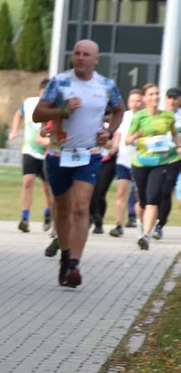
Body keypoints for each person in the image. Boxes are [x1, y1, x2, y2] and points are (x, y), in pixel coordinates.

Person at [32, 40, 122, 287]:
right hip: (59, 154)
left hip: (89, 154)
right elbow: (37, 114)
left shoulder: (106, 85)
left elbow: (119, 110)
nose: (80, 58)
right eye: (77, 54)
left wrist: (109, 131)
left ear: (96, 59)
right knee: (61, 208)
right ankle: (64, 254)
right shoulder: (60, 82)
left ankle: (74, 264)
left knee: (81, 207)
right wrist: (61, 109)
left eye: (86, 54)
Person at [126, 83, 181, 249]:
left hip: (160, 163)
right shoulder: (139, 116)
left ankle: (146, 235)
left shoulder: (167, 116)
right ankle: (140, 225)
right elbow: (127, 140)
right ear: (144, 98)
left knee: (153, 198)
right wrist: (137, 135)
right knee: (142, 200)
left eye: (157, 94)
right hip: (141, 162)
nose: (155, 97)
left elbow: (175, 136)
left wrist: (179, 147)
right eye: (151, 94)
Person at [8, 79, 53, 233]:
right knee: (28, 182)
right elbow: (18, 114)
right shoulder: (29, 103)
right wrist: (14, 130)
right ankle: (25, 218)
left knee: (47, 187)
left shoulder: (54, 107)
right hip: (30, 150)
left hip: (47, 152)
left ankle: (48, 213)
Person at [108, 89, 143, 238]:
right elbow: (118, 134)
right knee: (121, 192)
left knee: (139, 195)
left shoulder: (145, 117)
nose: (135, 103)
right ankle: (118, 224)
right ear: (128, 102)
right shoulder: (125, 117)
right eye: (132, 100)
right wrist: (114, 147)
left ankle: (143, 227)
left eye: (138, 100)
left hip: (140, 161)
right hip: (123, 159)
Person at [153, 86, 181, 238]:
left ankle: (160, 224)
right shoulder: (159, 114)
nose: (172, 100)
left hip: (175, 158)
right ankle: (150, 220)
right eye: (169, 97)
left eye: (175, 98)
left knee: (165, 191)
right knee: (154, 191)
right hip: (157, 158)